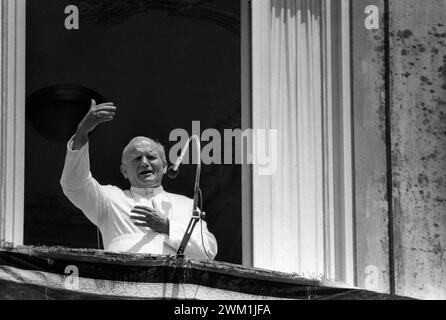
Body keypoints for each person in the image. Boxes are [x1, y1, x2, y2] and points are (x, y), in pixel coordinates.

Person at [60, 99, 217, 260]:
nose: (144, 162)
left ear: (164, 166)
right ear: (124, 171)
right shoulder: (110, 200)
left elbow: (208, 251)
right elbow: (74, 184)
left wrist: (167, 227)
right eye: (136, 159)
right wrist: (82, 132)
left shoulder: (186, 204)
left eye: (150, 157)